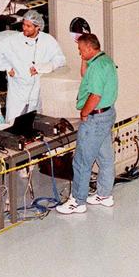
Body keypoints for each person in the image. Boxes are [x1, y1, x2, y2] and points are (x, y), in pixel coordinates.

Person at [56, 33, 119, 215]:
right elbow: (85, 75)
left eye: (82, 50)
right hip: (107, 115)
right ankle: (104, 195)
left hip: (95, 118)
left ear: (91, 48)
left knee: (82, 161)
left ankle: (77, 201)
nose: (79, 53)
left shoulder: (97, 67)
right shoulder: (104, 60)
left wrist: (84, 112)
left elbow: (95, 95)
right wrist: (84, 58)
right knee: (105, 158)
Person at [0, 9, 66, 125]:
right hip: (18, 91)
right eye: (23, 24)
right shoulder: (13, 41)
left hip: (37, 91)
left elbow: (60, 59)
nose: (24, 28)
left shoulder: (48, 40)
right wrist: (7, 67)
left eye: (28, 26)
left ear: (38, 27)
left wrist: (42, 67)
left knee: (34, 123)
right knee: (13, 124)